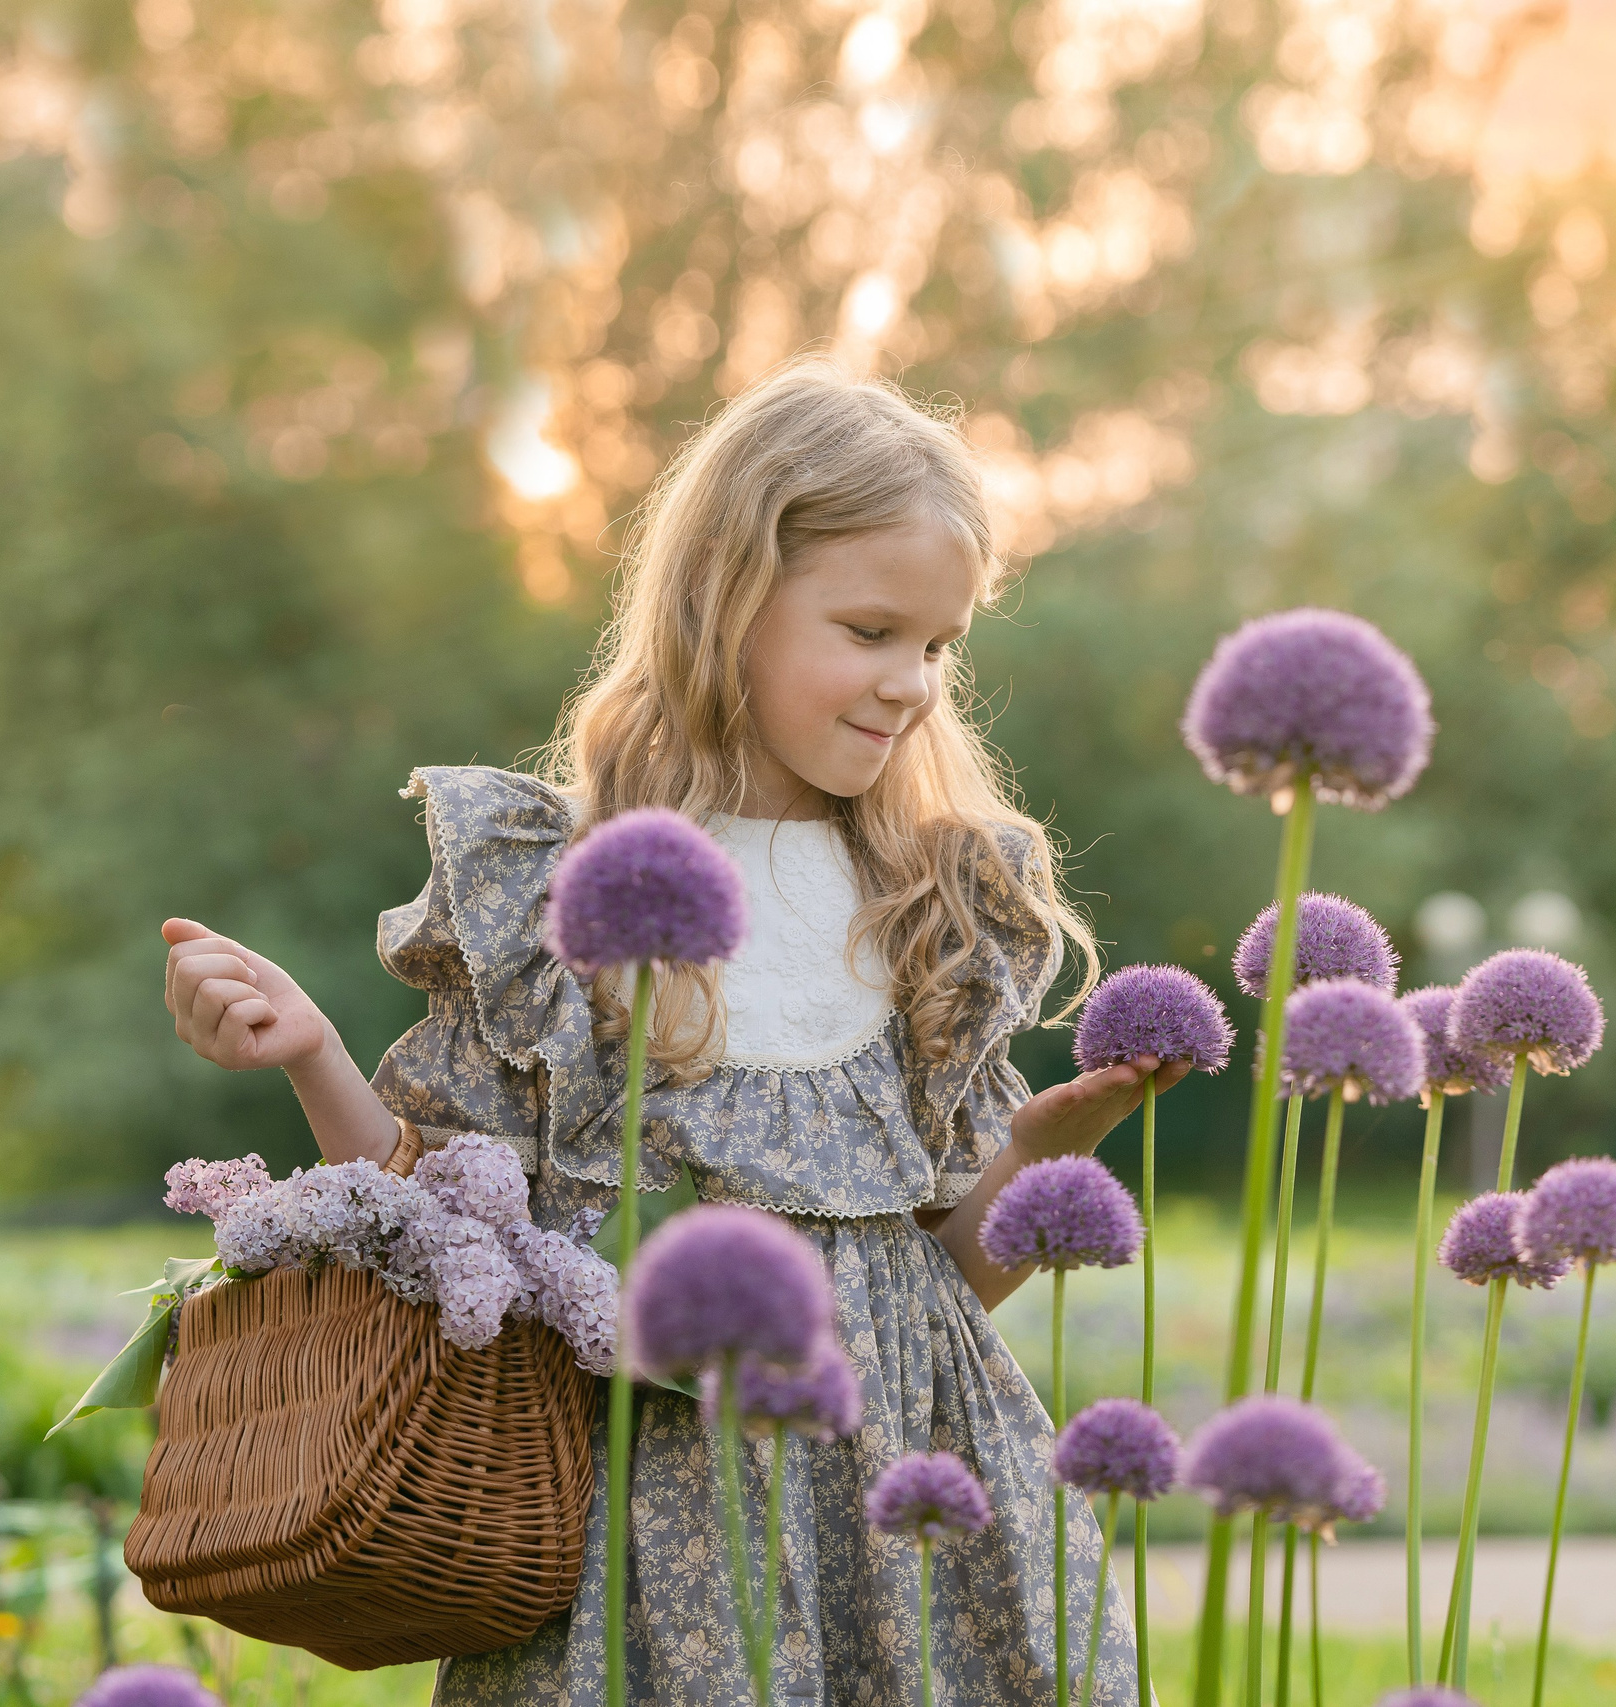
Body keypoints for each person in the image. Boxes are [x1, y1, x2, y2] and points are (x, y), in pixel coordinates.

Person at [156, 358, 1181, 1706]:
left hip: (905, 1546)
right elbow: (451, 1241)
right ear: (728, 597)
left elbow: (931, 1296)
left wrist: (1051, 1143)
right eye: (871, 631)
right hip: (646, 1549)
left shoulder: (930, 899)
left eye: (938, 648)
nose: (913, 685)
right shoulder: (564, 887)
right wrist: (311, 1054)